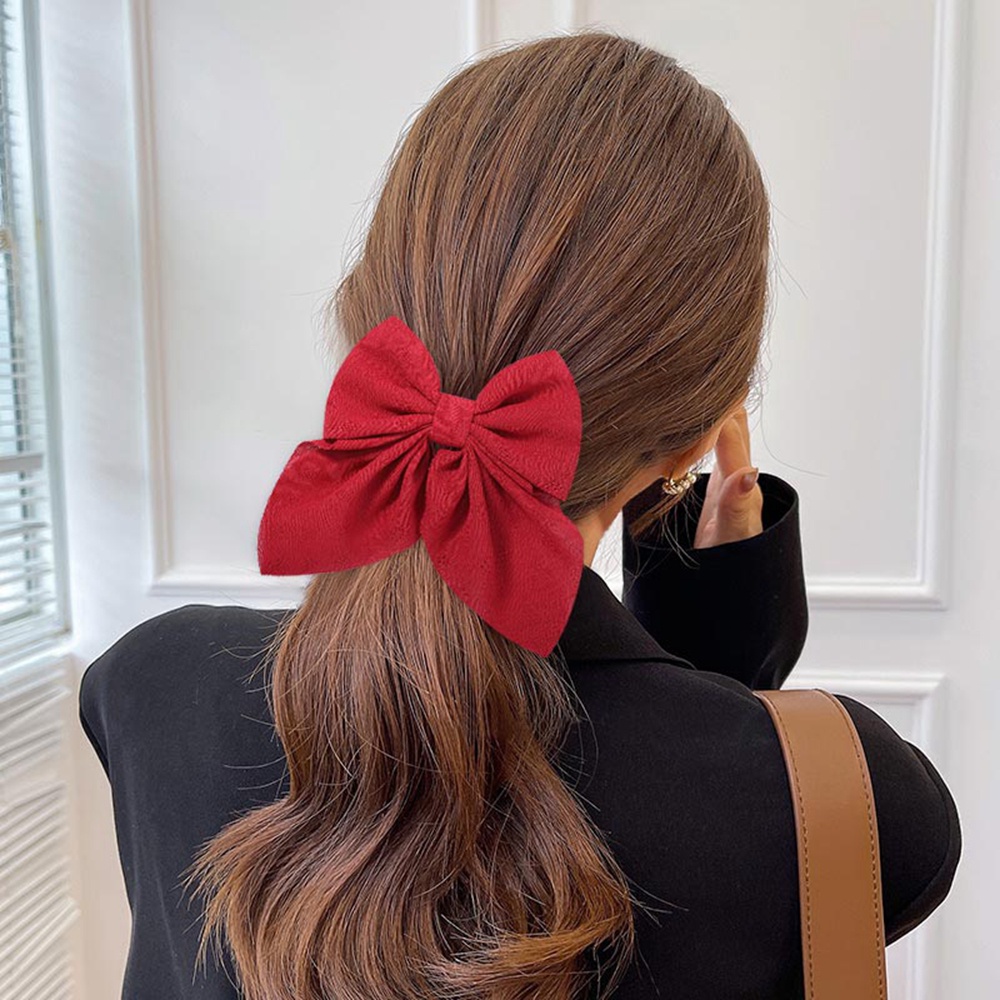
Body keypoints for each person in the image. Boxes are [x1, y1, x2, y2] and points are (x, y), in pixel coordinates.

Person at [78, 28, 961, 1000]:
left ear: (373, 328)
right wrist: (716, 636)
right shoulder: (850, 799)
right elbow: (694, 787)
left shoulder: (149, 692)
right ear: (702, 434)